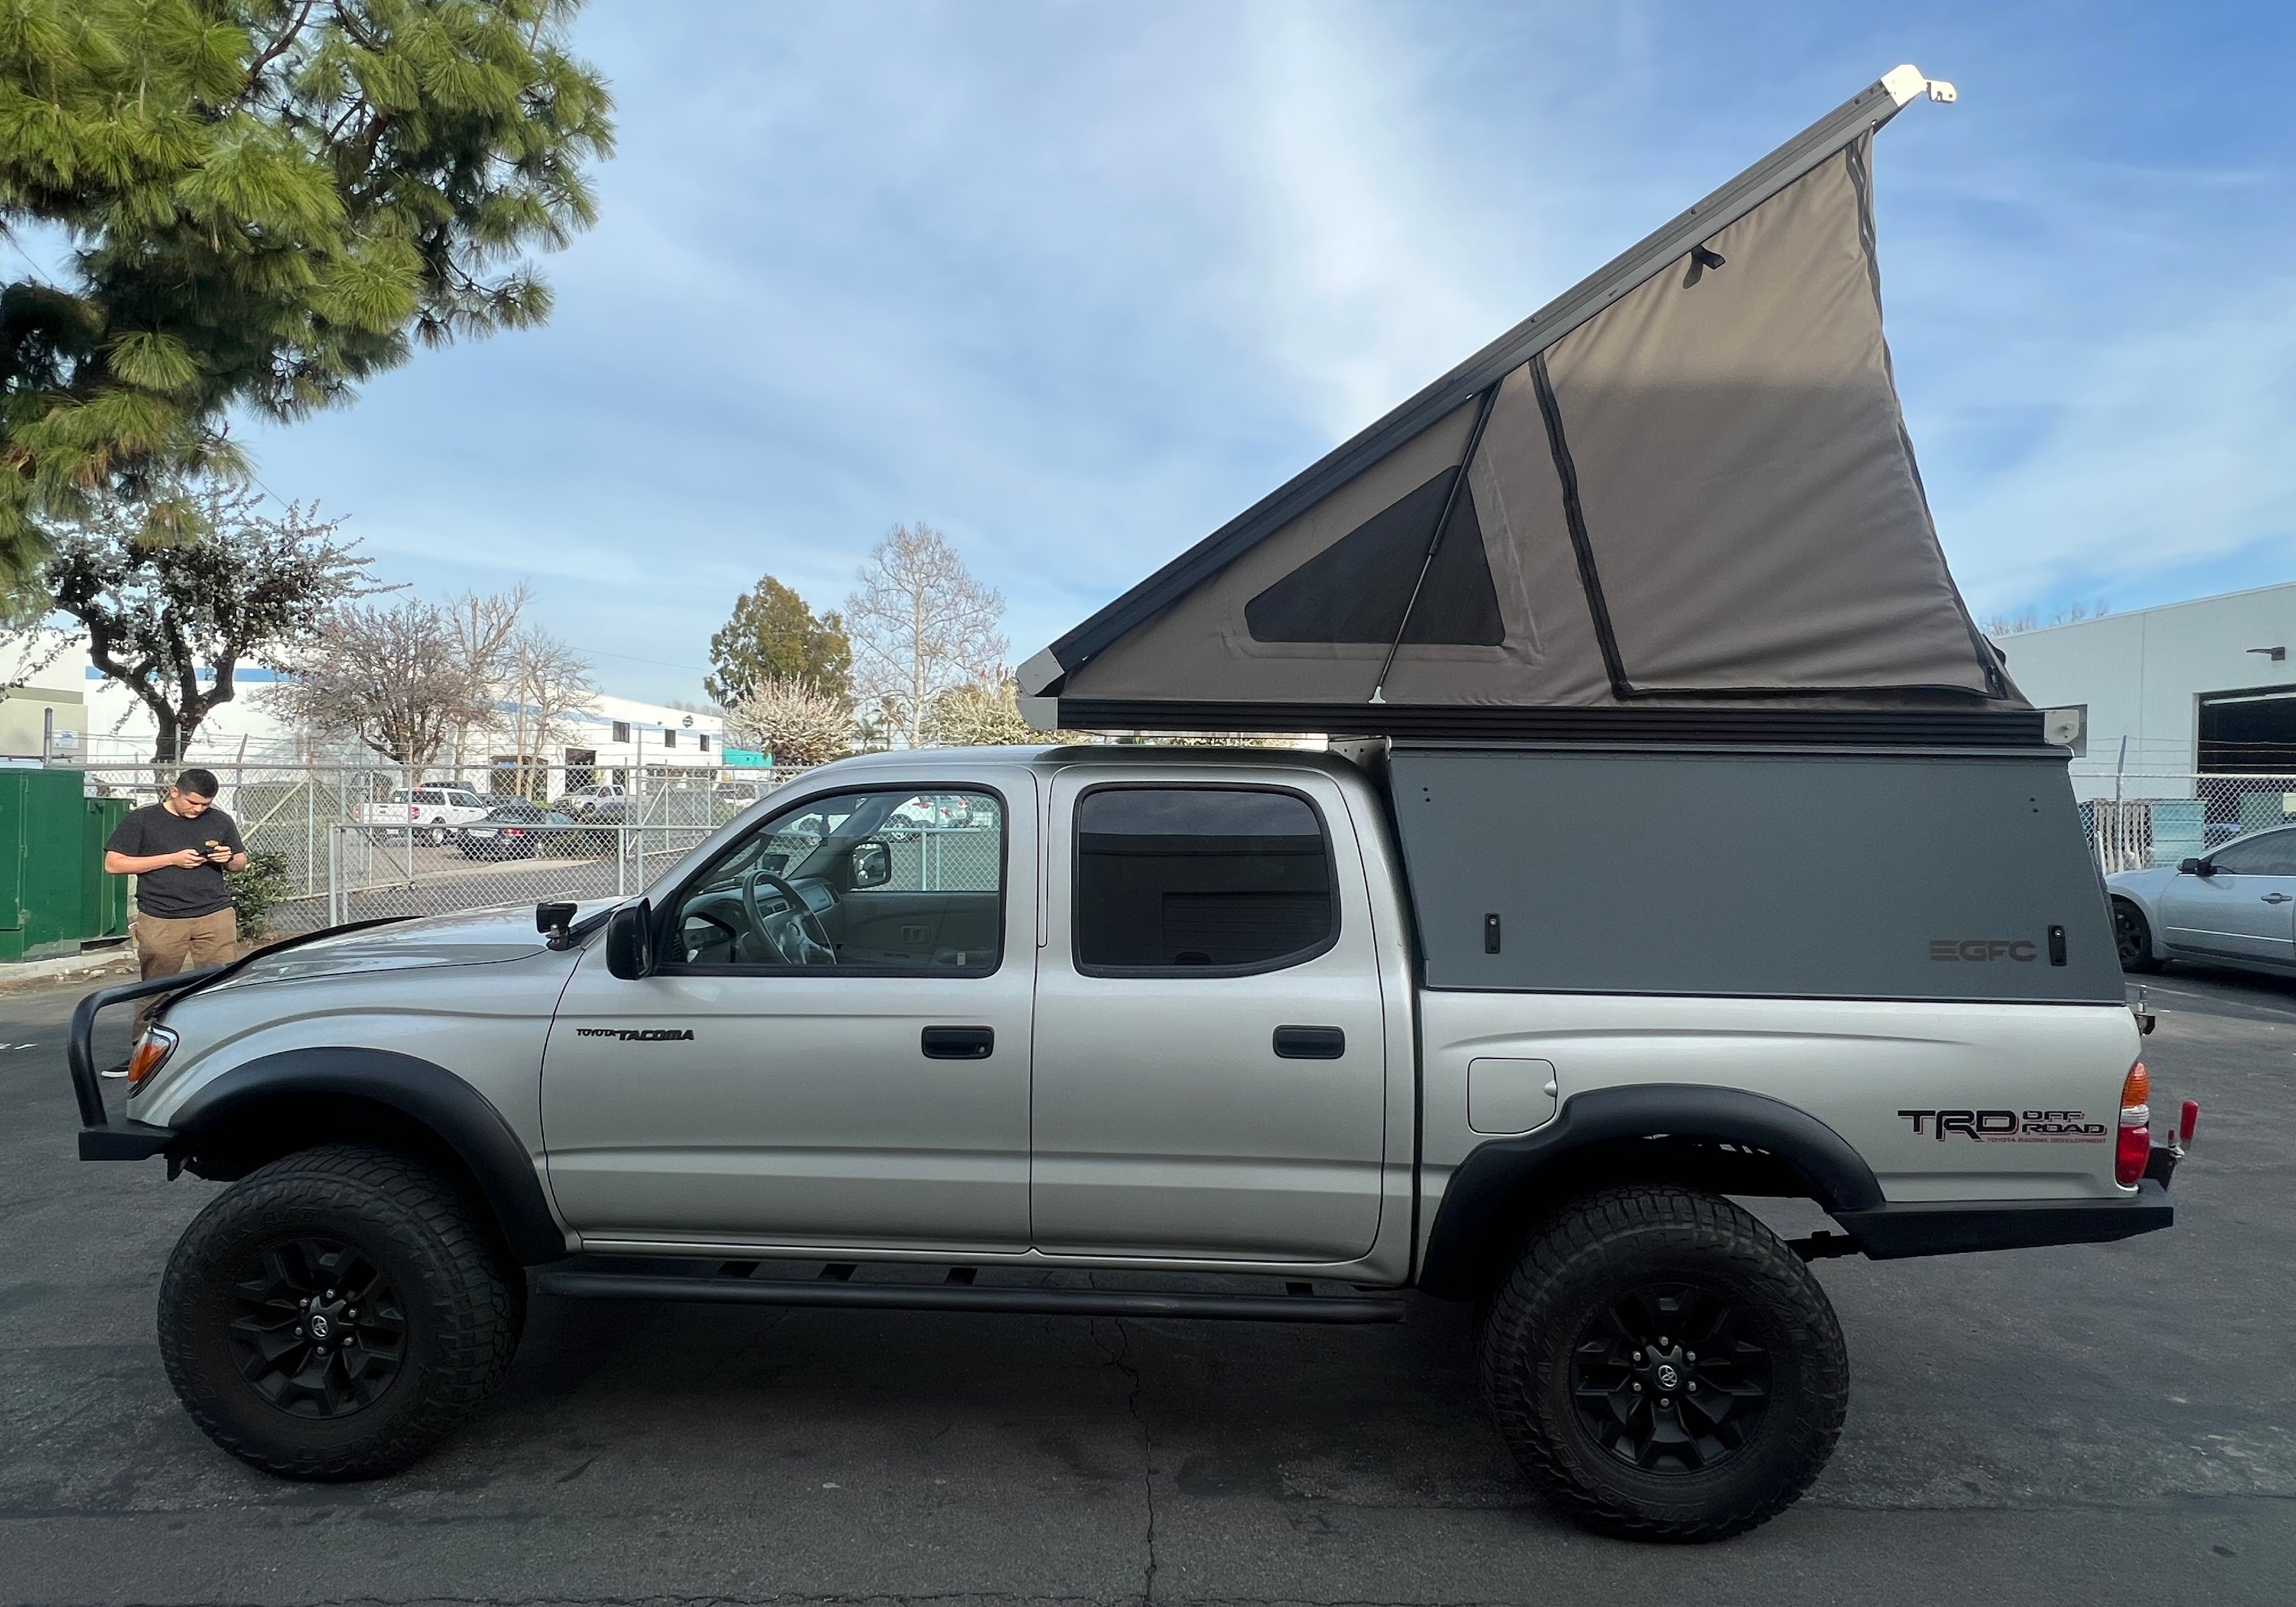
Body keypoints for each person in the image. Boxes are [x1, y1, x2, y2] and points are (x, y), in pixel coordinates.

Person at [104, 768, 248, 991]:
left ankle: (212, 1026)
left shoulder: (219, 820)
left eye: (206, 805)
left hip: (215, 915)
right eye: (192, 802)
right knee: (157, 991)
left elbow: (240, 862)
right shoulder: (143, 820)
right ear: (174, 792)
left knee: (221, 987)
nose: (198, 809)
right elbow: (114, 864)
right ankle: (150, 1026)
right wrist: (172, 859)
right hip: (162, 918)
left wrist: (227, 858)